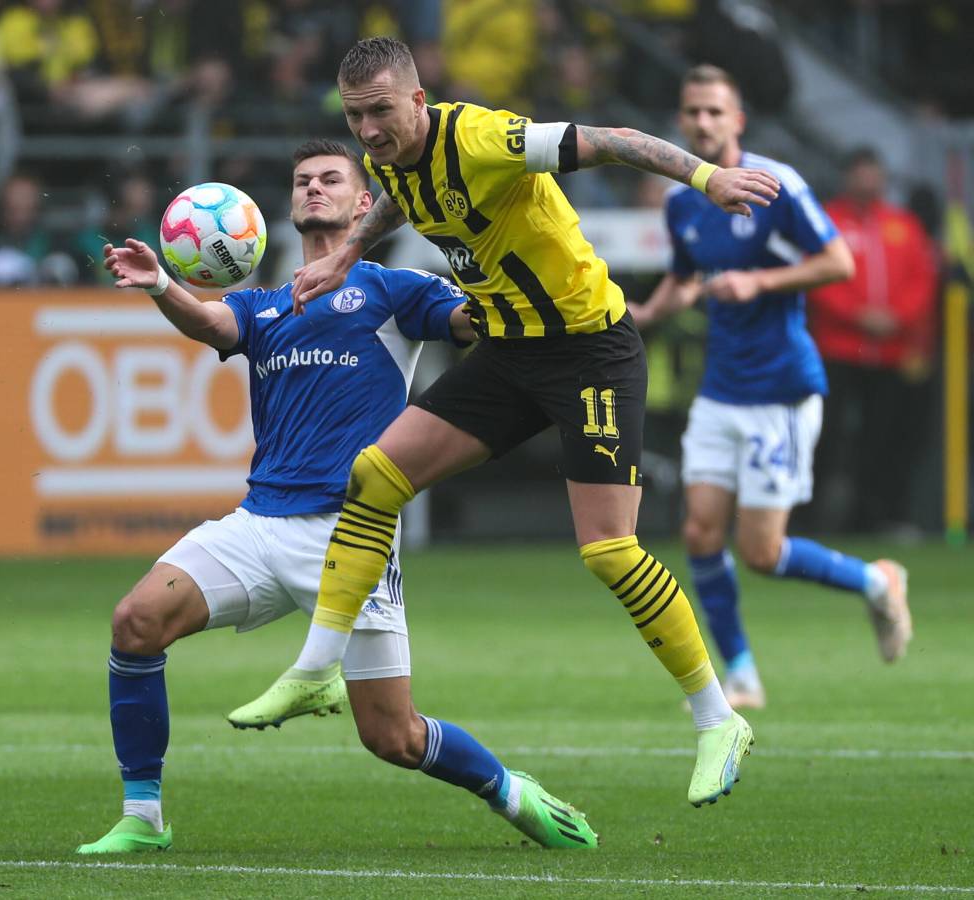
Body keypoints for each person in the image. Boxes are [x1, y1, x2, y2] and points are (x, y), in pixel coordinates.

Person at [240, 36, 782, 809]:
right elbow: (398, 194)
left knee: (608, 550)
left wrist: (708, 175)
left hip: (589, 349)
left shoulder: (483, 138)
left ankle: (718, 718)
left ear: (418, 101)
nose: (366, 131)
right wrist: (346, 253)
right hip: (508, 350)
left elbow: (614, 140)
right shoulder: (391, 153)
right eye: (355, 116)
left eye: (380, 112)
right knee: (375, 476)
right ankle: (318, 669)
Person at [75, 138, 599, 855]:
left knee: (392, 735)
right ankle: (143, 816)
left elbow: (473, 323)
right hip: (258, 526)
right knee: (135, 621)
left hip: (349, 538)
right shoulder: (264, 307)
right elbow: (211, 324)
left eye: (330, 178)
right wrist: (163, 283)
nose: (313, 188)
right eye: (301, 181)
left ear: (365, 204)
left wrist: (506, 282)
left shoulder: (394, 288)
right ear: (284, 208)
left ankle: (511, 791)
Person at [628, 66, 912, 709]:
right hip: (721, 389)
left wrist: (760, 282)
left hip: (780, 388)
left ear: (738, 121)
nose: (701, 123)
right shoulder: (682, 200)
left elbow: (838, 261)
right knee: (700, 532)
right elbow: (683, 278)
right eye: (692, 111)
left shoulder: (775, 185)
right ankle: (743, 676)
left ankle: (875, 580)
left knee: (760, 551)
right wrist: (644, 314)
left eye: (713, 112)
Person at [809, 147, 939, 534]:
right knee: (825, 436)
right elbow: (816, 277)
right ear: (849, 176)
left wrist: (896, 317)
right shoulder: (826, 220)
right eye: (860, 173)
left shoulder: (903, 224)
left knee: (884, 439)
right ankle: (812, 519)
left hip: (892, 353)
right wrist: (858, 315)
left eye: (874, 173)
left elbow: (922, 278)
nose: (868, 181)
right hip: (838, 350)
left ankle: (876, 518)